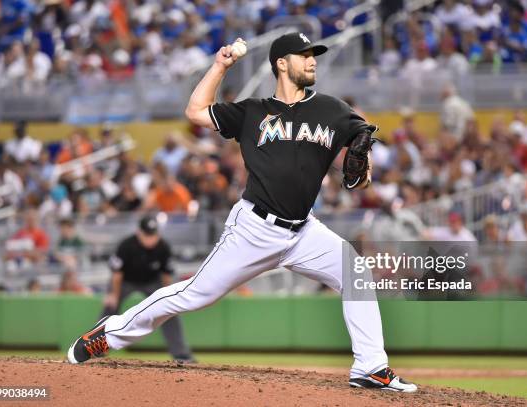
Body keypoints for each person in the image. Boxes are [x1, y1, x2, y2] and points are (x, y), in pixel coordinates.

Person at [67, 32, 417, 393]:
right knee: (194, 295)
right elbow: (195, 111)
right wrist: (220, 66)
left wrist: (363, 162)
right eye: (304, 55)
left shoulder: (334, 110)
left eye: (315, 55)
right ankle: (109, 333)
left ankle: (371, 367)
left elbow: (361, 168)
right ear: (282, 63)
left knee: (355, 271)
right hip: (254, 227)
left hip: (304, 232)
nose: (313, 61)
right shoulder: (252, 111)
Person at [99, 215, 195, 363]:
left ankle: (181, 354)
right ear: (139, 233)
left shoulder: (163, 247)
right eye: (147, 235)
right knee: (110, 306)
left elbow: (167, 276)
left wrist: (170, 298)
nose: (150, 239)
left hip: (152, 282)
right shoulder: (126, 245)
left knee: (170, 310)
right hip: (126, 280)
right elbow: (117, 274)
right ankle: (97, 349)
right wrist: (113, 294)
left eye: (153, 235)